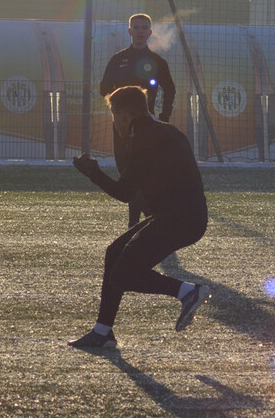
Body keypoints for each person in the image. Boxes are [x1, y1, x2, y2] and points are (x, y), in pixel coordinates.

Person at [68, 86, 209, 350]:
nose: (113, 124)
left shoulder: (143, 138)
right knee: (114, 253)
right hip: (184, 215)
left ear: (123, 116)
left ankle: (187, 292)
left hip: (180, 219)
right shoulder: (163, 131)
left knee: (123, 275)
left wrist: (93, 173)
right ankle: (102, 332)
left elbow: (124, 193)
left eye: (113, 116)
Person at [99, 13, 176, 227]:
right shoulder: (118, 59)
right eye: (136, 27)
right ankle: (148, 219)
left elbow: (170, 89)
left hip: (145, 127)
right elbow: (103, 88)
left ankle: (137, 223)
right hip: (121, 125)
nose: (140, 31)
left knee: (142, 174)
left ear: (150, 33)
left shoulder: (157, 62)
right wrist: (120, 97)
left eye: (144, 28)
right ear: (129, 31)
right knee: (125, 173)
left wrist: (164, 116)